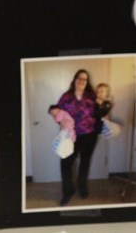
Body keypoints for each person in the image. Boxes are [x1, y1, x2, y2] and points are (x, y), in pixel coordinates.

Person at [56, 69, 98, 206]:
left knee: (84, 163)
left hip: (89, 135)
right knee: (66, 163)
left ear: (87, 82)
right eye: (79, 78)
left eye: (84, 79)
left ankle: (82, 188)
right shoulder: (66, 97)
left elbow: (100, 111)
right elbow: (57, 113)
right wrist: (60, 122)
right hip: (71, 136)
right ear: (74, 80)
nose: (81, 81)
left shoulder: (91, 96)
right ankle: (68, 192)